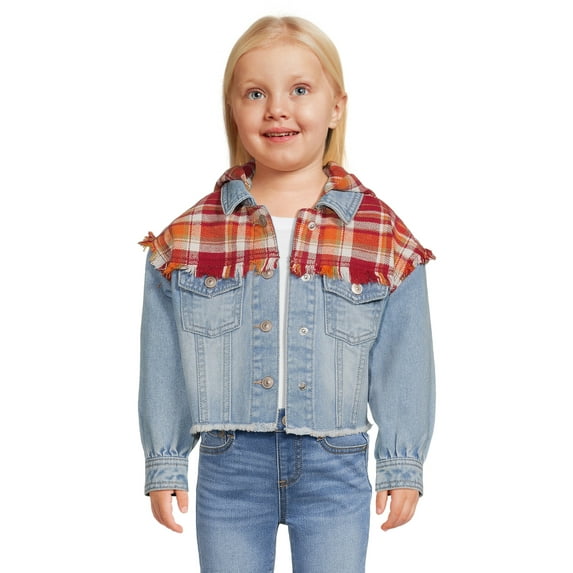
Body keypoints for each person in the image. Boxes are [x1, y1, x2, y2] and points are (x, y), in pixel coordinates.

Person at [139, 15, 435, 573]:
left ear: (336, 106)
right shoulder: (190, 236)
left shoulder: (381, 234)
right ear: (233, 108)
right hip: (230, 464)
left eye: (300, 90)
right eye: (256, 93)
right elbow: (165, 359)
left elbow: (404, 355)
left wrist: (401, 462)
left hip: (335, 463)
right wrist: (165, 460)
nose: (277, 108)